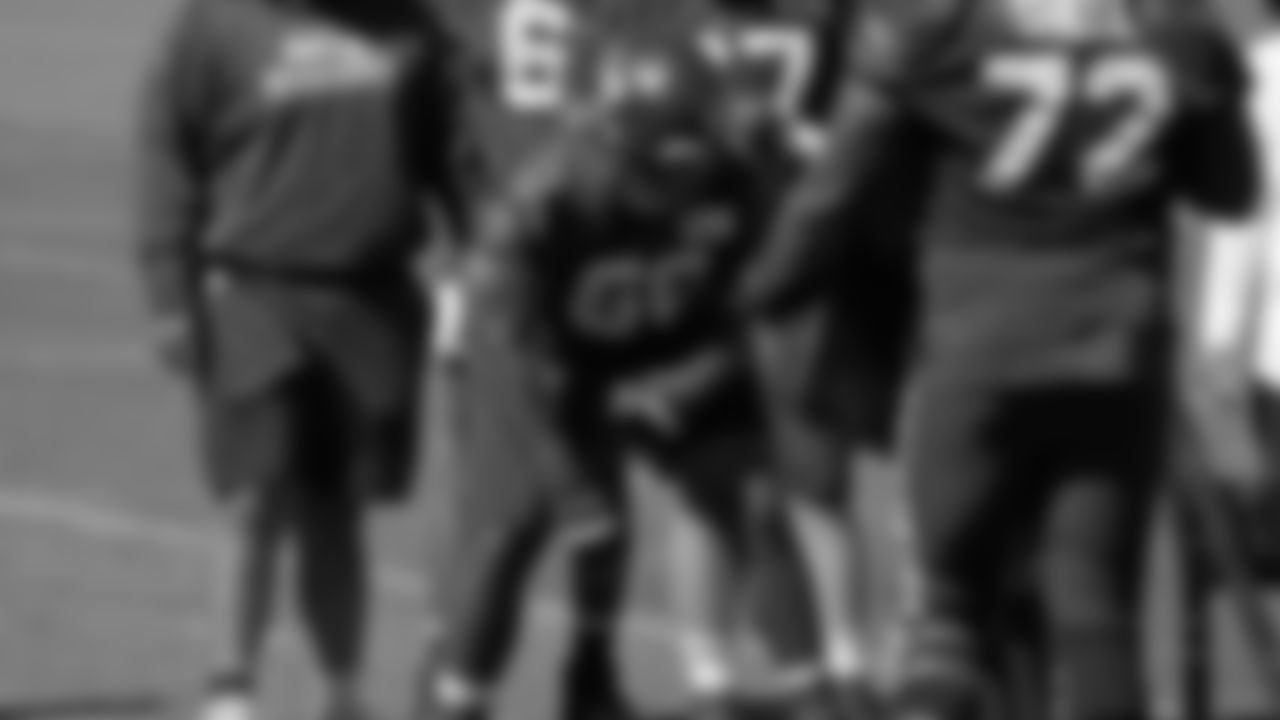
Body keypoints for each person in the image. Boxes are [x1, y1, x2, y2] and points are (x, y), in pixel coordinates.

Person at [741, 1, 1260, 720]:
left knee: (948, 614)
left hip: (975, 351)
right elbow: (1230, 193)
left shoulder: (936, 29)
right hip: (1113, 351)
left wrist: (758, 296)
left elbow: (833, 196)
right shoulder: (1173, 30)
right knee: (1096, 603)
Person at [411, 48, 837, 720]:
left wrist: (688, 384)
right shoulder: (543, 202)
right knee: (515, 528)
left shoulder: (735, 181)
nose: (682, 186)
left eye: (695, 161)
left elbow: (759, 308)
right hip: (554, 364)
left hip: (675, 347)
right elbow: (512, 358)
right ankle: (458, 697)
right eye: (665, 170)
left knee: (754, 500)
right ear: (620, 147)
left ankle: (815, 693)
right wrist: (570, 481)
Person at [135, 1, 474, 719]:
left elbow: (457, 160)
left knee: (337, 509)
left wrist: (477, 267)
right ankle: (233, 689)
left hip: (371, 301)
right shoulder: (217, 26)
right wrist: (169, 289)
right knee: (252, 496)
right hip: (254, 289)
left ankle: (341, 689)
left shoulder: (413, 31)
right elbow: (165, 150)